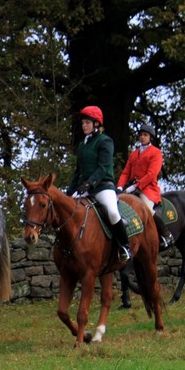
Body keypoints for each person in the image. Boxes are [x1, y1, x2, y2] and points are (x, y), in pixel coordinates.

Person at [66, 106, 131, 263]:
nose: (84, 126)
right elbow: (78, 171)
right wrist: (68, 192)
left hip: (103, 187)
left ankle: (125, 246)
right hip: (84, 189)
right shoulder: (82, 145)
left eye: (87, 122)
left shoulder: (105, 141)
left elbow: (103, 167)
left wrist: (89, 184)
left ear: (96, 124)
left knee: (113, 213)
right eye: (83, 123)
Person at [117, 124, 174, 251]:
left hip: (147, 188)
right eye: (141, 135)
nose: (142, 137)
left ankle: (166, 234)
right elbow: (126, 172)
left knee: (147, 208)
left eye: (145, 135)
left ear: (150, 138)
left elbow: (151, 174)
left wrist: (136, 186)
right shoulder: (134, 153)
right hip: (131, 187)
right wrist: (120, 186)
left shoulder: (156, 152)